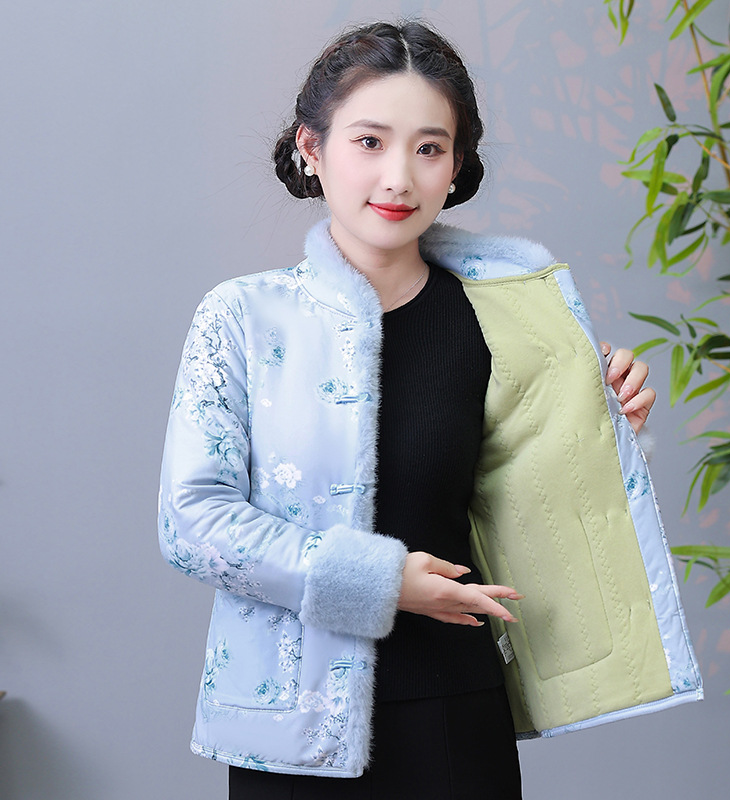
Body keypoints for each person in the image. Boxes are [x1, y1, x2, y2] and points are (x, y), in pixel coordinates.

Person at [158, 20, 702, 800]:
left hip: (455, 712)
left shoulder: (510, 317)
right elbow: (193, 523)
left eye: (429, 148)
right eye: (369, 142)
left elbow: (534, 500)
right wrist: (382, 583)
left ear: (457, 165)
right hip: (289, 728)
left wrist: (606, 429)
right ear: (312, 147)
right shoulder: (243, 317)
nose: (399, 178)